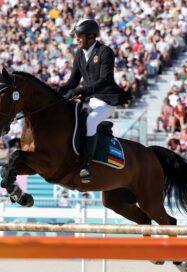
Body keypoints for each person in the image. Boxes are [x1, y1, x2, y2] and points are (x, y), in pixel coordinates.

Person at [57, 19, 130, 183]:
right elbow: (72, 81)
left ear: (90, 36)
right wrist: (58, 90)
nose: (76, 39)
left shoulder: (105, 52)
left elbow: (105, 80)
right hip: (88, 100)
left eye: (79, 36)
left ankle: (87, 165)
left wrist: (80, 90)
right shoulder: (79, 54)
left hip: (105, 100)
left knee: (90, 121)